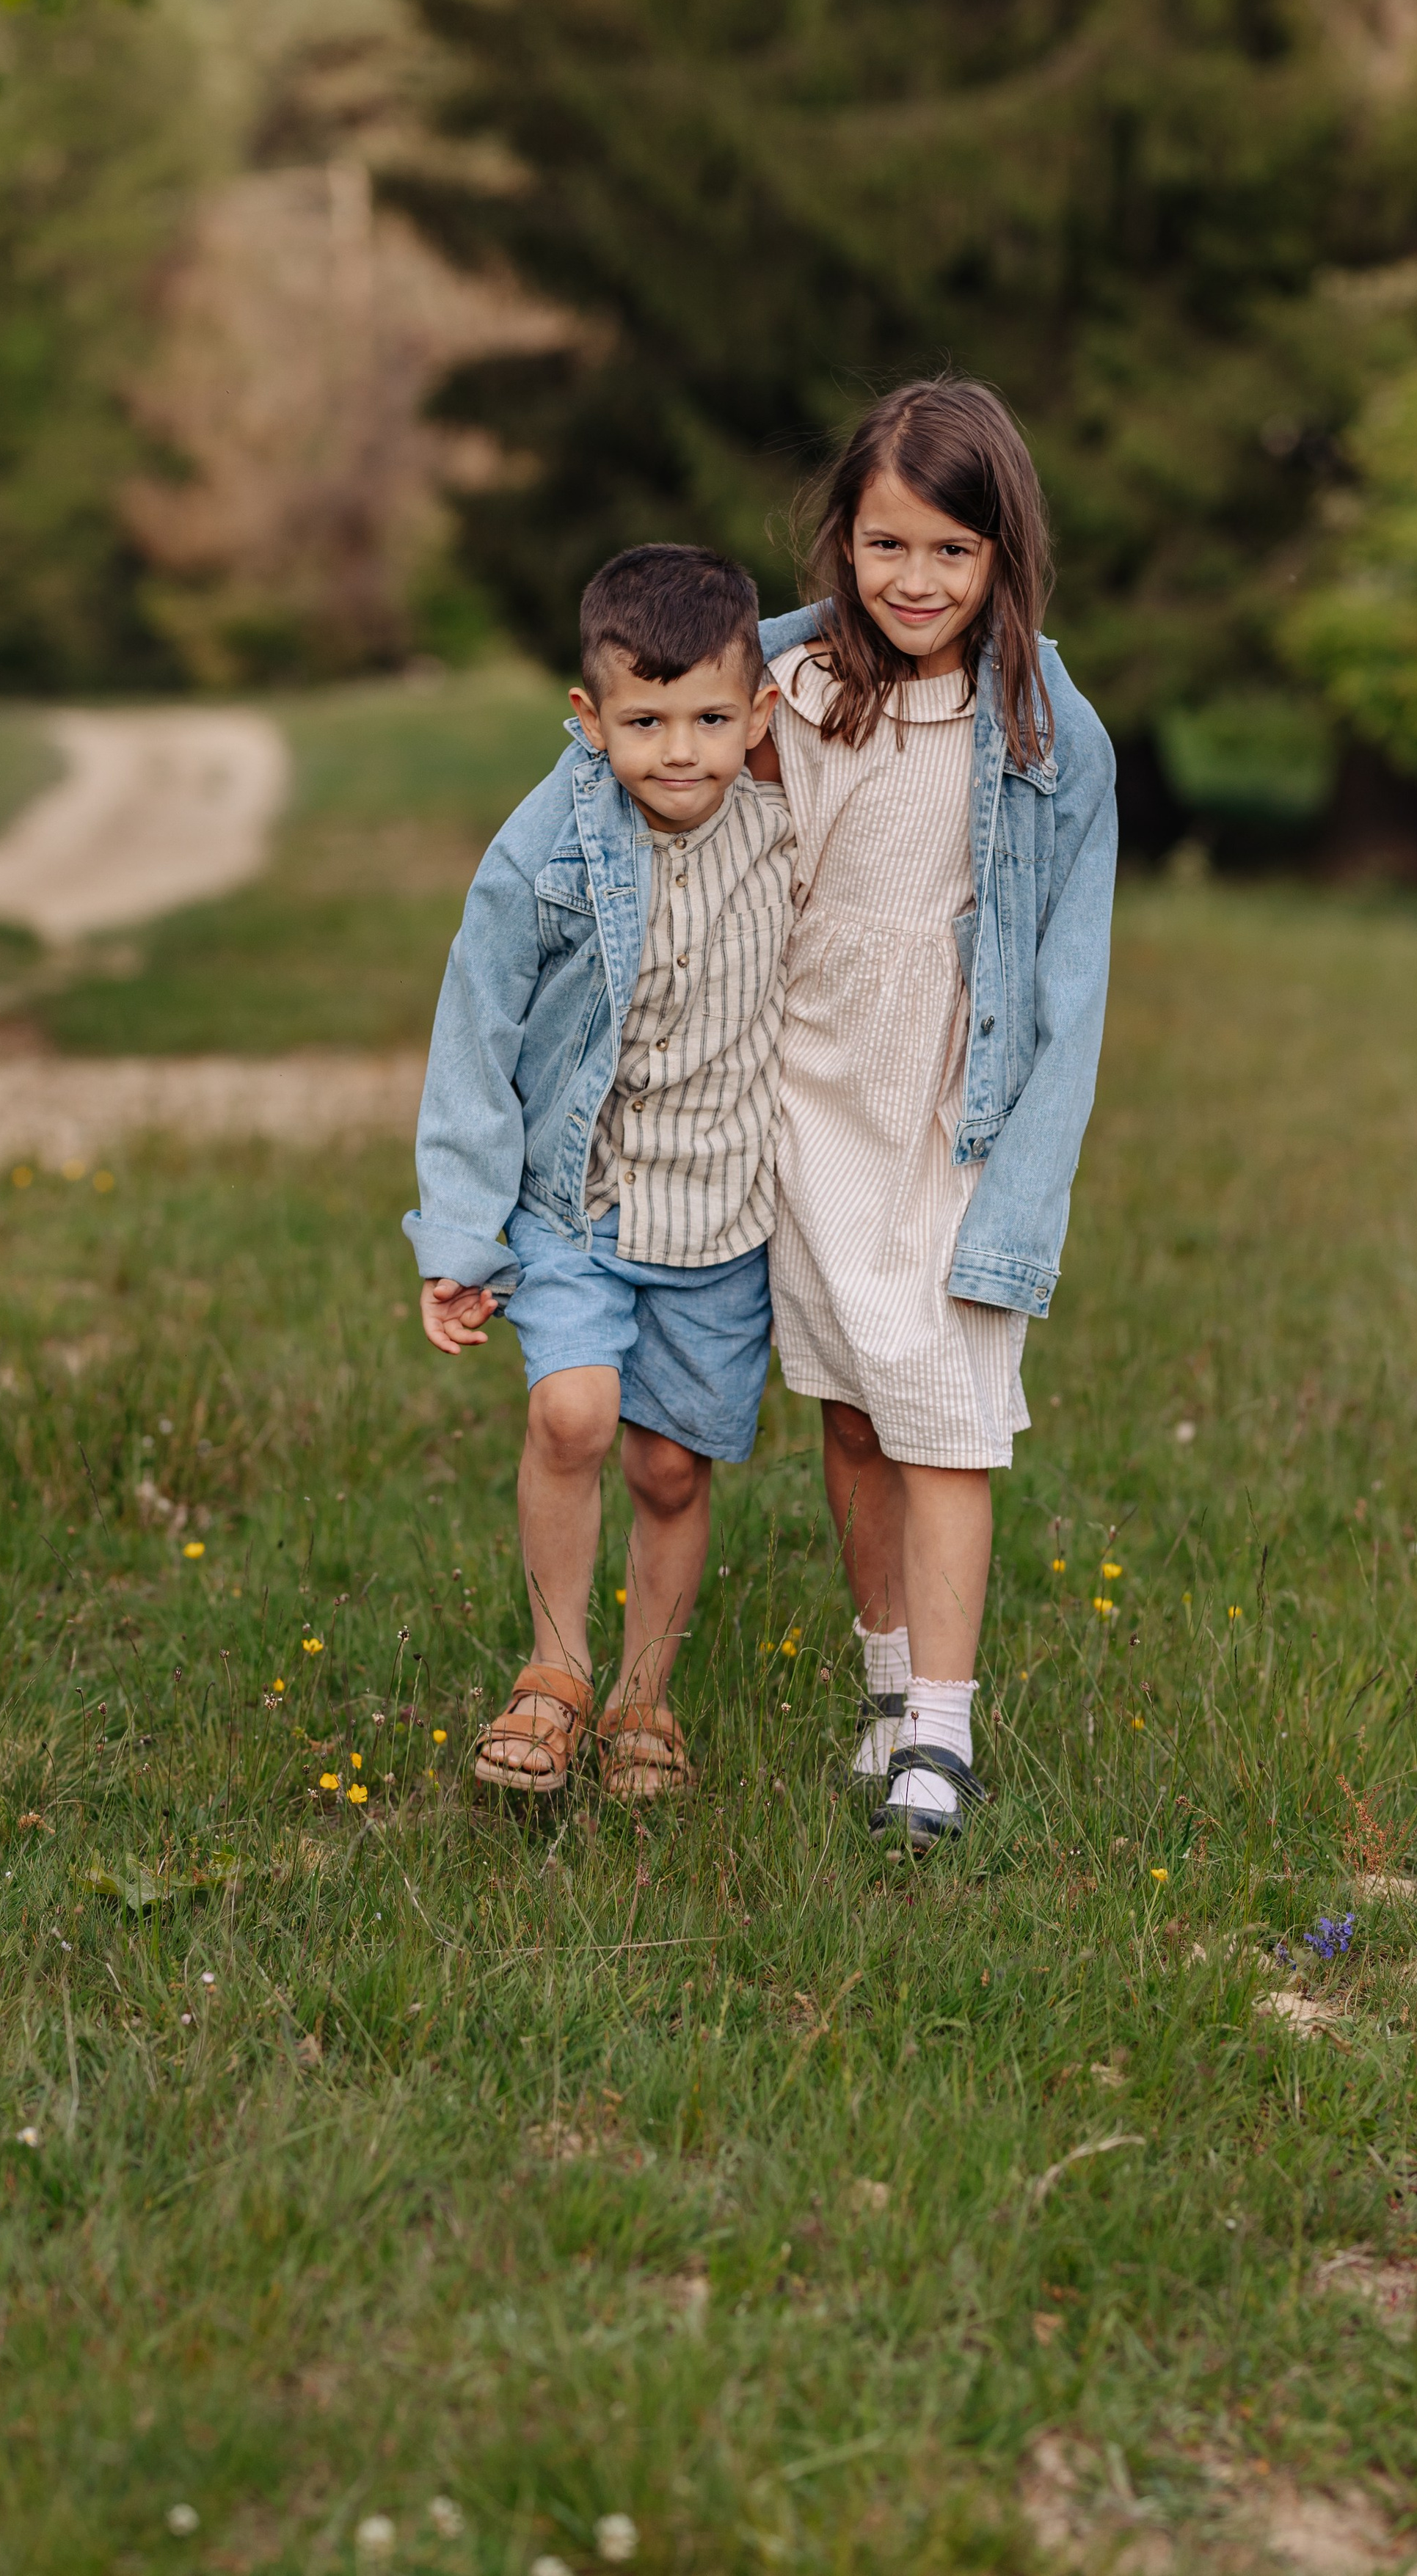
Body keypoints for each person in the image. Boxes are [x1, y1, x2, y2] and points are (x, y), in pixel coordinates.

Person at [748, 379, 1117, 1853]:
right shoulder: (774, 681)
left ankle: (944, 1739)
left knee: (946, 1417)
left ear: (999, 560)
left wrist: (1029, 1168)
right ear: (840, 537)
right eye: (886, 545)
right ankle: (887, 1687)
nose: (912, 581)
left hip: (957, 1106)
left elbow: (1071, 974)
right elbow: (655, 793)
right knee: (851, 1407)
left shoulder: (1040, 720)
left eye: (949, 554)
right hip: (813, 1090)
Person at [406, 544, 792, 1801]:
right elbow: (475, 1033)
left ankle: (644, 1699)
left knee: (672, 1467)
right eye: (644, 721)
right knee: (573, 1414)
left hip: (722, 1211)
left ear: (761, 714)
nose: (679, 750)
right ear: (589, 720)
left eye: (711, 719)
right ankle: (555, 1669)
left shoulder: (787, 827)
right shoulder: (546, 848)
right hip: (582, 1202)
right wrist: (463, 1236)